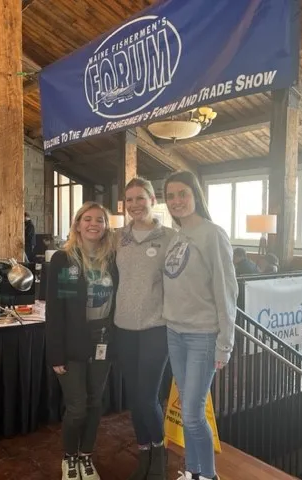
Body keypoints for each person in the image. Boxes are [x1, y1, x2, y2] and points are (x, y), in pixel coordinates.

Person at [162, 171, 238, 480]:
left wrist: (225, 342)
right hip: (174, 332)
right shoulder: (176, 234)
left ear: (196, 195)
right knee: (189, 414)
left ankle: (207, 475)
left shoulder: (212, 233)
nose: (176, 201)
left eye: (182, 193)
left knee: (192, 415)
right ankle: (192, 472)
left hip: (203, 336)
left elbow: (227, 290)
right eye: (170, 196)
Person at [46, 201, 118, 480]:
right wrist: (56, 354)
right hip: (72, 340)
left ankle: (86, 455)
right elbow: (55, 309)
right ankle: (69, 457)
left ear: (105, 226)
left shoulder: (112, 258)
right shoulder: (63, 259)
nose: (93, 224)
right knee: (76, 407)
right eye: (87, 219)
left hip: (103, 339)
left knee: (95, 402)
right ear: (77, 224)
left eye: (99, 220)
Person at [114, 177, 175, 480]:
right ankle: (144, 450)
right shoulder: (118, 238)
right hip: (123, 327)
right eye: (130, 200)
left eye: (141, 198)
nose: (135, 205)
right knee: (134, 395)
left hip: (156, 327)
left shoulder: (170, 237)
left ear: (153, 200)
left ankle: (160, 452)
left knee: (146, 396)